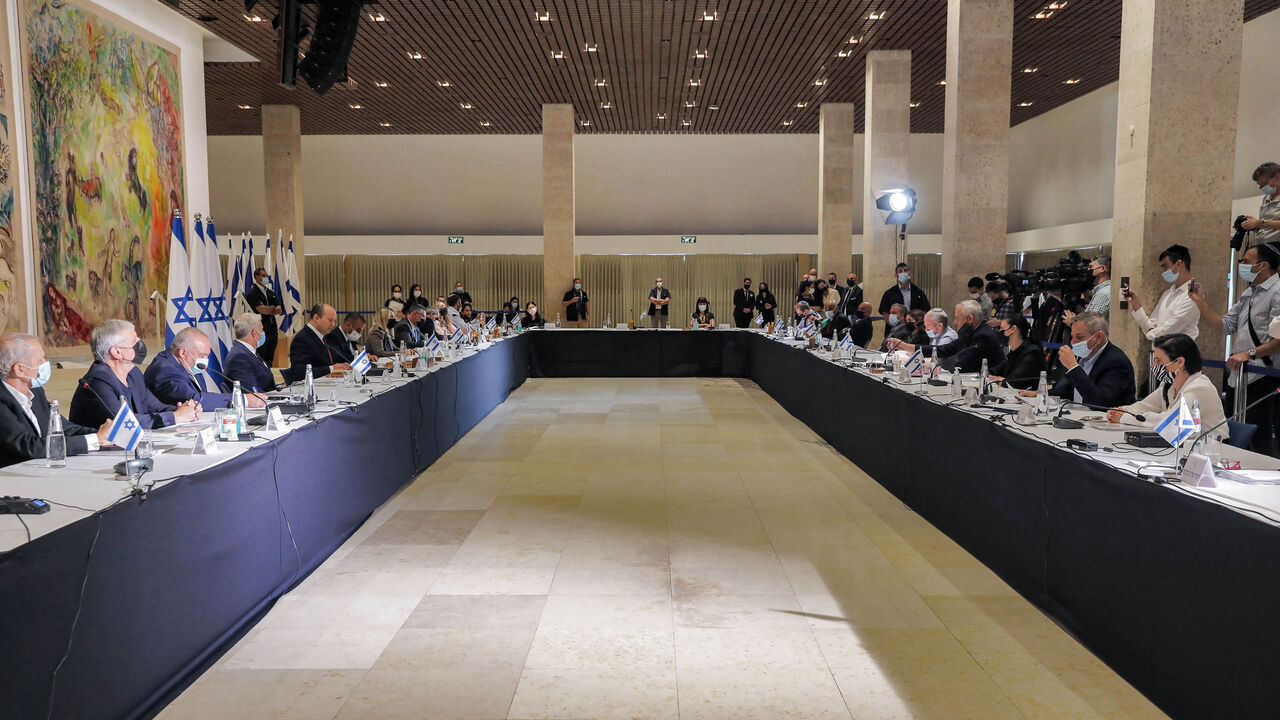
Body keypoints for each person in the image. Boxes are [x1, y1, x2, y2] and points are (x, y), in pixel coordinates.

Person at [1189, 242, 1280, 453]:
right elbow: (1224, 326)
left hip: (1263, 376)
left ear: (1263, 265)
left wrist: (1249, 354)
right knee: (1231, 430)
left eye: (1246, 261)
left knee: (1259, 434)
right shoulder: (1248, 293)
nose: (1241, 265)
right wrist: (1201, 302)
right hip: (1238, 377)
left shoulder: (1277, 292)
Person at [0, 333, 113, 468]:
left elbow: (64, 428)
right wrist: (94, 440)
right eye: (40, 360)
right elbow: (29, 446)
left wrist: (103, 434)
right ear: (19, 369)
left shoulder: (35, 391)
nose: (45, 363)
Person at [71, 319, 199, 429]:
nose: (140, 343)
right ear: (116, 352)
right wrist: (174, 417)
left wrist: (184, 410)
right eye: (134, 341)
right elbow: (124, 423)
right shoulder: (97, 383)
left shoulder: (133, 372)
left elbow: (152, 406)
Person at [1107, 333, 1225, 432]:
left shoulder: (1200, 388)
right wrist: (1119, 412)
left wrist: (1125, 418)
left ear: (1179, 362)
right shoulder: (1168, 386)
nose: (1154, 366)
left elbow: (1171, 422)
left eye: (1158, 360)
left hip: (1212, 450)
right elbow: (1142, 407)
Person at [144, 327, 264, 409]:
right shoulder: (164, 369)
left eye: (207, 355)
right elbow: (194, 399)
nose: (206, 360)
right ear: (183, 352)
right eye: (202, 355)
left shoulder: (188, 365)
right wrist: (243, 400)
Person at [888, 300, 1003, 373]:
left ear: (970, 319)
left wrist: (937, 365)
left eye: (957, 317)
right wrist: (906, 346)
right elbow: (944, 349)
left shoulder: (983, 335)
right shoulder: (972, 332)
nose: (955, 322)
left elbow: (962, 363)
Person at [1049, 311, 1136, 407]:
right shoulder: (1084, 355)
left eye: (1079, 337)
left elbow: (1100, 402)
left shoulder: (1117, 362)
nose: (1073, 342)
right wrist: (1040, 394)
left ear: (1098, 337)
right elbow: (1065, 389)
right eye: (1072, 337)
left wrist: (1073, 367)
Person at [1123, 243, 1200, 341]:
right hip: (1159, 353)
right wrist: (1136, 305)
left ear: (1179, 264)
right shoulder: (1167, 294)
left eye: (1165, 267)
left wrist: (1151, 333)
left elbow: (1170, 330)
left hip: (1179, 354)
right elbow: (1150, 325)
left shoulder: (1194, 295)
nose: (1163, 272)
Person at [286, 303, 353, 383]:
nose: (333, 325)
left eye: (334, 321)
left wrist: (343, 365)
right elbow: (299, 372)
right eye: (330, 320)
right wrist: (331, 369)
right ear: (316, 318)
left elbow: (330, 359)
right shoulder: (302, 339)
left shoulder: (322, 336)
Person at [225, 313, 279, 392]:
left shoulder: (247, 352)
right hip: (261, 402)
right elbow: (252, 391)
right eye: (262, 329)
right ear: (254, 332)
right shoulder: (239, 357)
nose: (263, 332)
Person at [990, 315, 1045, 391]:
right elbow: (998, 370)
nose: (1000, 333)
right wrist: (990, 374)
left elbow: (1013, 382)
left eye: (1002, 329)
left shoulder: (1032, 352)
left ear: (1013, 329)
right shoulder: (1015, 351)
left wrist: (1000, 380)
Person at [245, 267, 282, 366]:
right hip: (261, 329)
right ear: (257, 277)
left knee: (270, 357)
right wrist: (271, 309)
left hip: (272, 329)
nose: (266, 278)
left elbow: (279, 309)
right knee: (261, 356)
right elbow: (261, 309)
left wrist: (270, 309)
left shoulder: (271, 293)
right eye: (264, 276)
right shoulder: (252, 293)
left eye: (266, 276)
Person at [1239, 162, 1280, 244]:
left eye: (1264, 184)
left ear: (1277, 177)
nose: (1261, 188)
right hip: (1263, 247)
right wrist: (1253, 226)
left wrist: (1259, 222)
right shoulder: (1266, 198)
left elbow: (1264, 223)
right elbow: (1267, 229)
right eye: (1259, 185)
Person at [1032, 279, 1067, 345]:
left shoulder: (1058, 298)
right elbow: (1036, 315)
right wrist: (1035, 297)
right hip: (1040, 332)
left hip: (1051, 335)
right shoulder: (1048, 297)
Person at [1083, 255, 1112, 320]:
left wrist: (1071, 322)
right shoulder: (1101, 291)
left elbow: (1090, 323)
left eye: (1091, 267)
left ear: (1102, 268)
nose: (1088, 270)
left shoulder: (1103, 293)